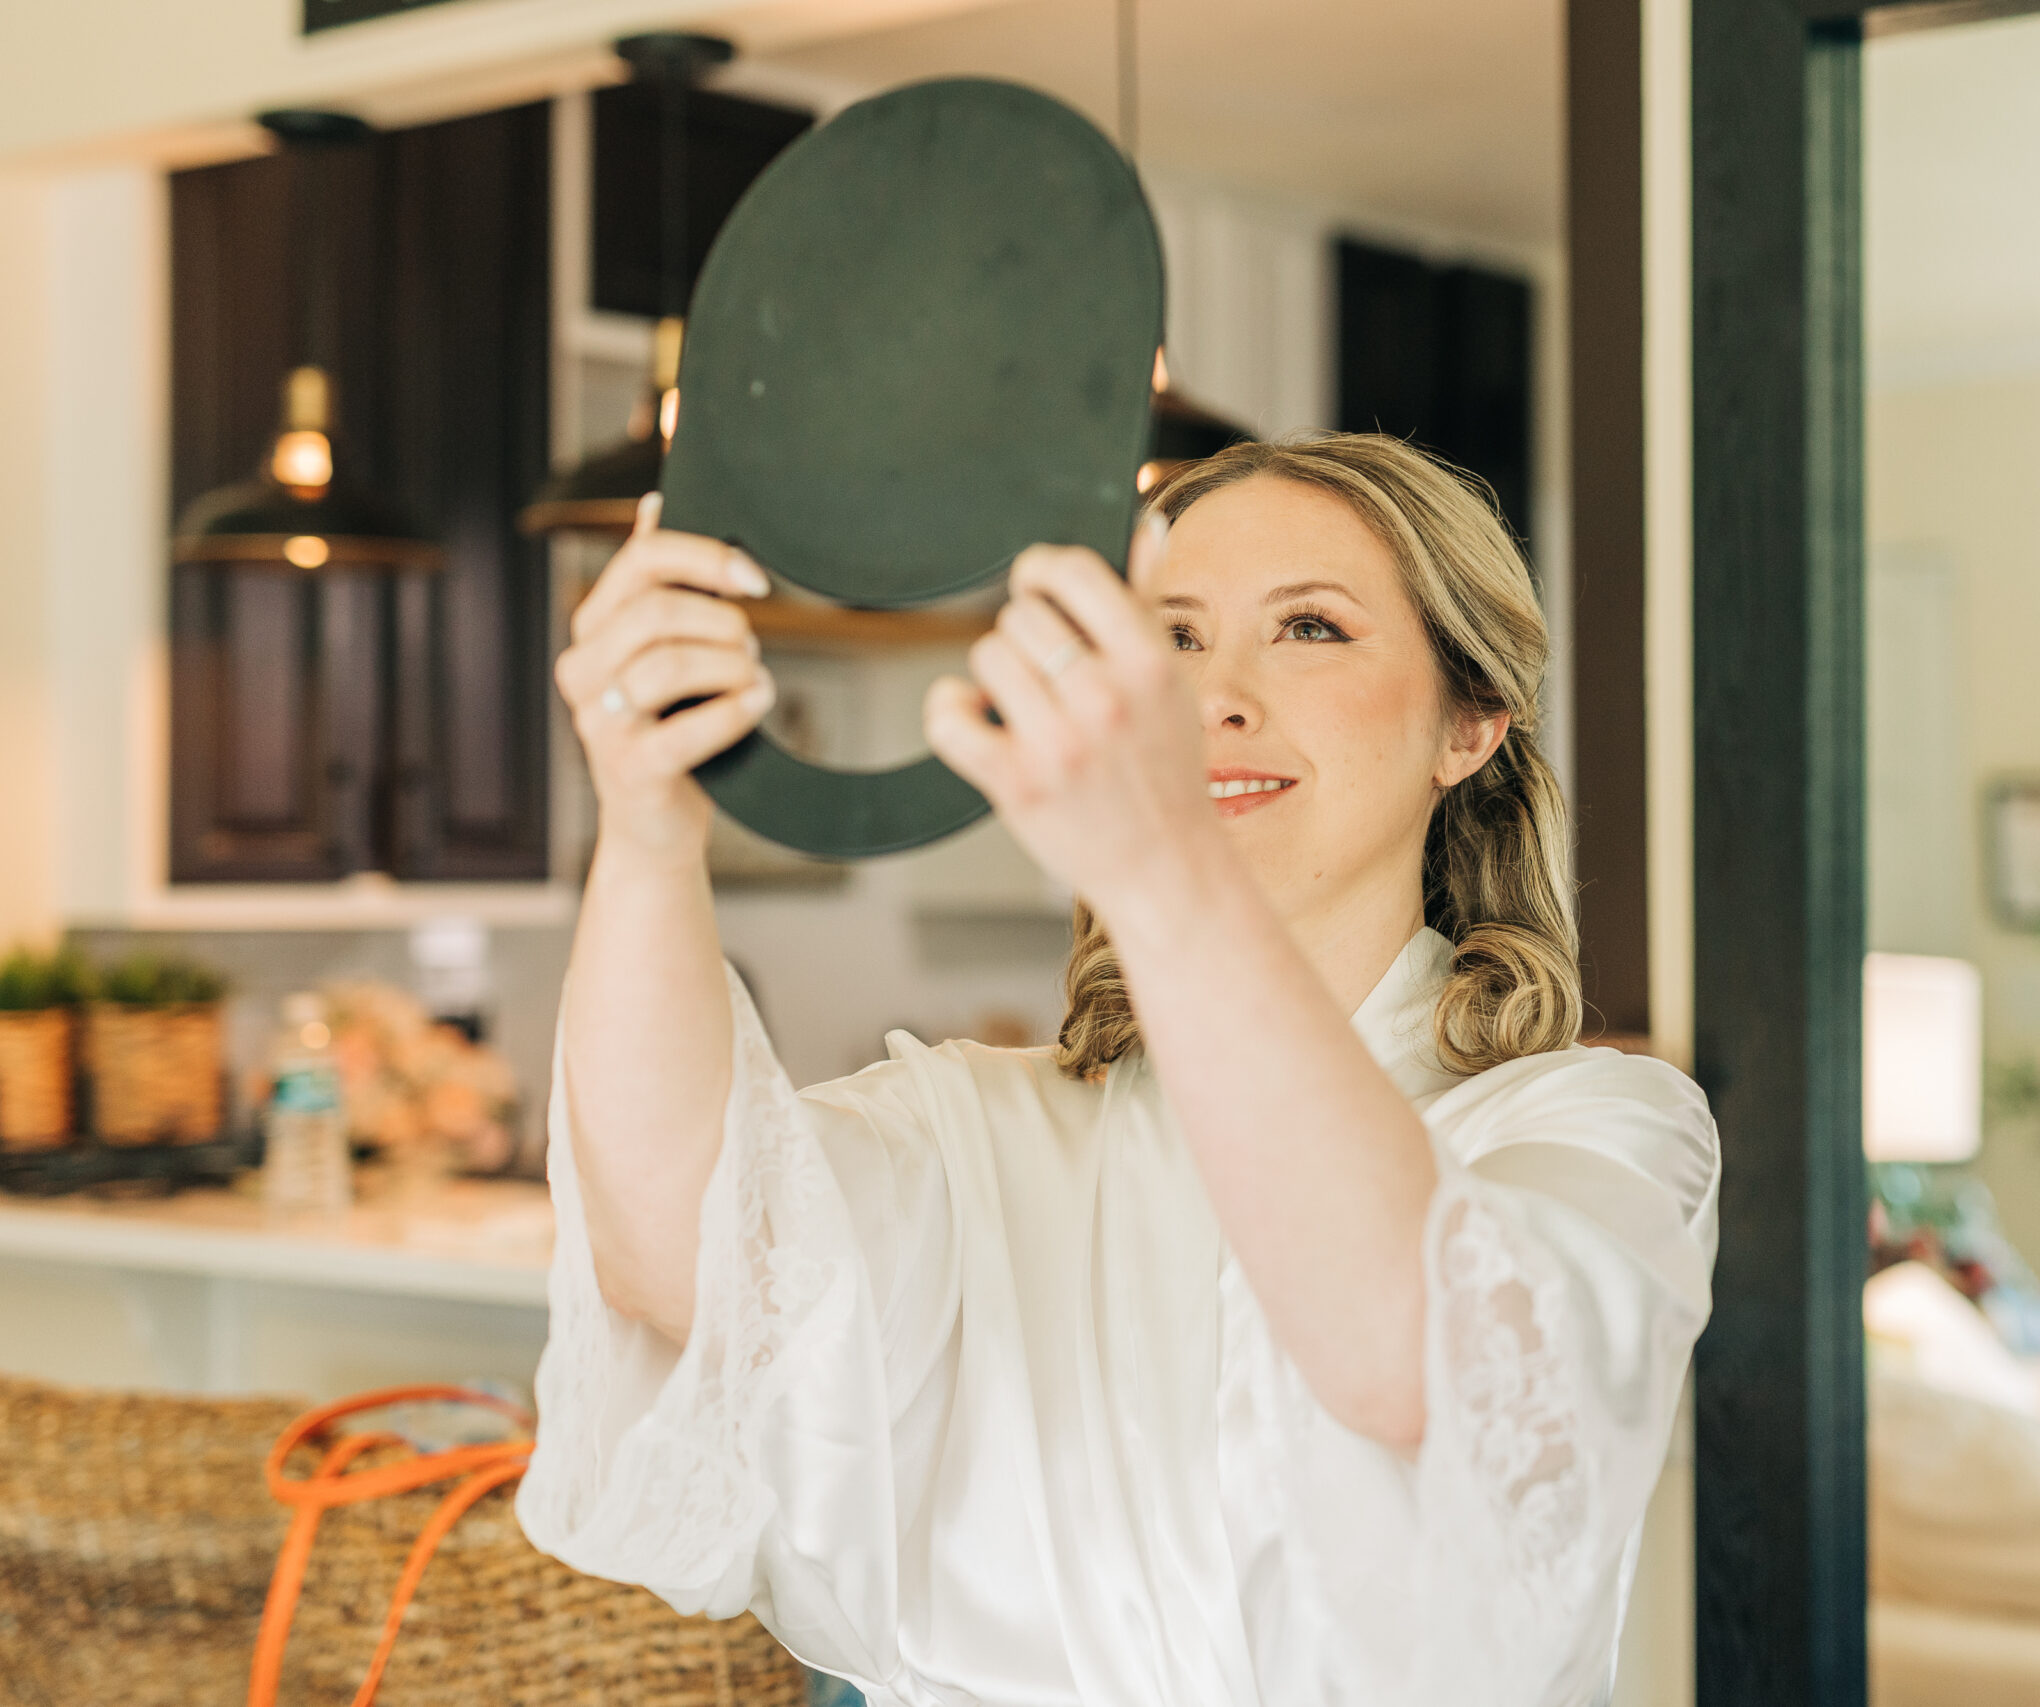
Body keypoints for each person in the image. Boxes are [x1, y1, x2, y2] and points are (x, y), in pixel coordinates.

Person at [516, 433, 1721, 1707]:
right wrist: (645, 831)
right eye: (1176, 638)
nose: (1215, 699)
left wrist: (1159, 868)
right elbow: (674, 1255)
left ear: (1468, 725)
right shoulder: (979, 1129)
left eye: (1309, 629)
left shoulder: (1595, 1130)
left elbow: (1416, 1358)